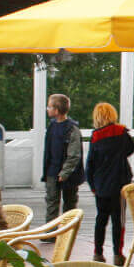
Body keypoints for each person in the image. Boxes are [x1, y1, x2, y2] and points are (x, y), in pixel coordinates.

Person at [84, 102, 134, 265]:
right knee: (118, 220)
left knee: (101, 219)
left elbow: (90, 163)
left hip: (101, 185)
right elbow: (131, 148)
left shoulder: (95, 136)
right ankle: (117, 254)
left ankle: (98, 253)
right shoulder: (121, 132)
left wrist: (93, 185)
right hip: (119, 184)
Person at [40, 94, 83, 225]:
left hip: (69, 174)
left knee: (69, 203)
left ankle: (67, 232)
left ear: (56, 110)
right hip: (52, 170)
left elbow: (74, 154)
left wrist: (65, 172)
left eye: (49, 107)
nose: (47, 109)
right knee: (51, 201)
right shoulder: (52, 126)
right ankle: (50, 233)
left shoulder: (72, 128)